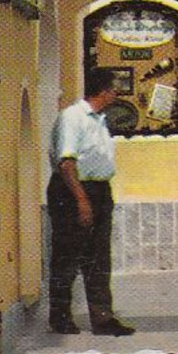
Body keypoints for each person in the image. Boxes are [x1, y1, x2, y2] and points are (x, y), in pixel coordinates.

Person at [47, 67, 134, 336]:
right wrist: (82, 201)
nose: (117, 93)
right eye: (114, 88)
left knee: (98, 258)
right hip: (73, 191)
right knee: (68, 256)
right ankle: (60, 316)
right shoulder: (73, 118)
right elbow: (67, 162)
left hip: (98, 189)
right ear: (103, 91)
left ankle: (103, 317)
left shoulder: (100, 119)